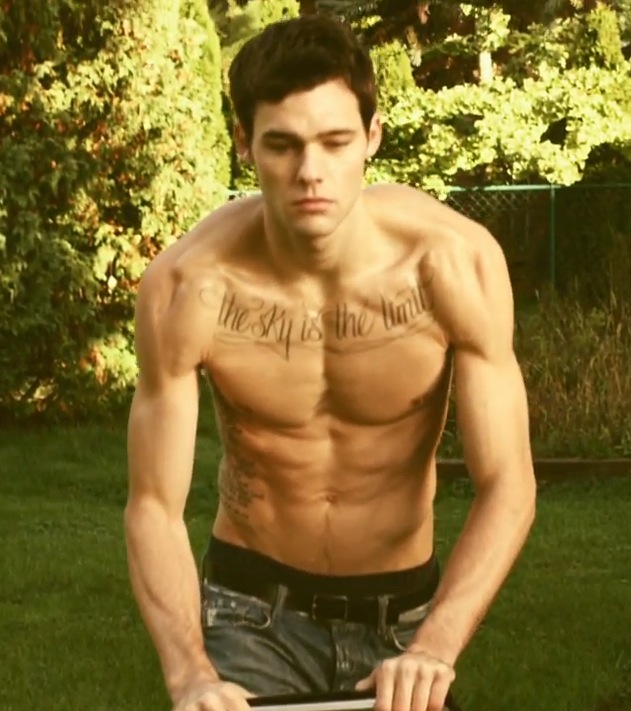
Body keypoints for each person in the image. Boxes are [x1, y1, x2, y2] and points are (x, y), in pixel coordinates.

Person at [124, 13, 537, 711]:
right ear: (243, 143)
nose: (310, 172)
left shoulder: (451, 264)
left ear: (372, 136)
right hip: (250, 611)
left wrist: (435, 645)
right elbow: (153, 507)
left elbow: (508, 483)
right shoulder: (188, 286)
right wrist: (189, 672)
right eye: (282, 144)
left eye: (335, 142)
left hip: (403, 620)